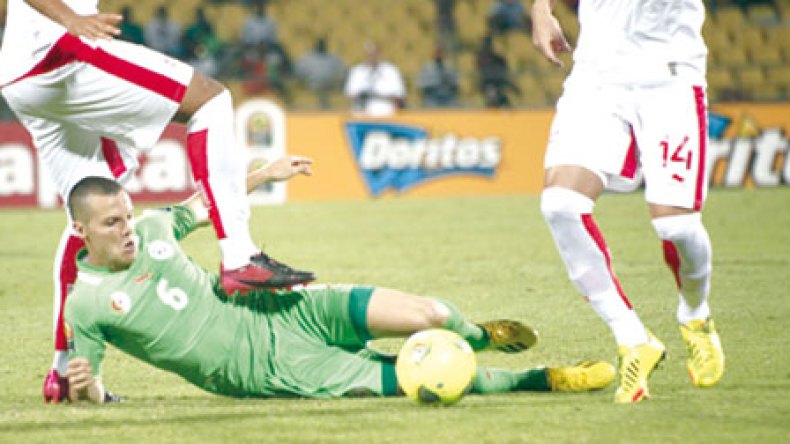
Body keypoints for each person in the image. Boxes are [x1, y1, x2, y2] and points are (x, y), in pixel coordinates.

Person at [63, 155, 616, 403]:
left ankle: (479, 334)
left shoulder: (156, 225)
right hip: (265, 367)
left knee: (433, 314)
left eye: (128, 216)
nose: (129, 230)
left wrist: (263, 174)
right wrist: (90, 390)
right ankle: (543, 379)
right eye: (113, 223)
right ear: (81, 230)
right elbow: (91, 388)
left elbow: (206, 204)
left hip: (281, 309)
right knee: (419, 377)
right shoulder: (85, 305)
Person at [0, 0, 314, 403]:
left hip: (20, 77)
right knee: (211, 101)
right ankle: (240, 256)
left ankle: (64, 371)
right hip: (58, 56)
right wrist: (70, 19)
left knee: (89, 212)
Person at [531, 0, 725, 404]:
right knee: (560, 204)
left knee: (676, 228)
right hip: (596, 77)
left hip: (668, 76)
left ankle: (695, 314)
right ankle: (632, 338)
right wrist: (541, 7)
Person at [344, 41, 406, 117]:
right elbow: (350, 94)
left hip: (386, 112)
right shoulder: (357, 71)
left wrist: (380, 95)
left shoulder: (391, 70)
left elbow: (399, 94)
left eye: (374, 53)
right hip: (362, 113)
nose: (372, 56)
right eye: (369, 54)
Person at [294, 37, 345, 109]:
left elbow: (342, 73)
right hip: (313, 86)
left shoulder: (334, 58)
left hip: (329, 86)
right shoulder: (307, 59)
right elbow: (298, 74)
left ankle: (324, 103)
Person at [476, 35, 520, 108]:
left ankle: (506, 110)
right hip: (487, 83)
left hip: (500, 83)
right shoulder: (481, 57)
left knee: (506, 95)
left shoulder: (500, 59)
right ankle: (491, 107)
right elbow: (480, 73)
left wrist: (511, 86)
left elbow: (505, 72)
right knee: (490, 91)